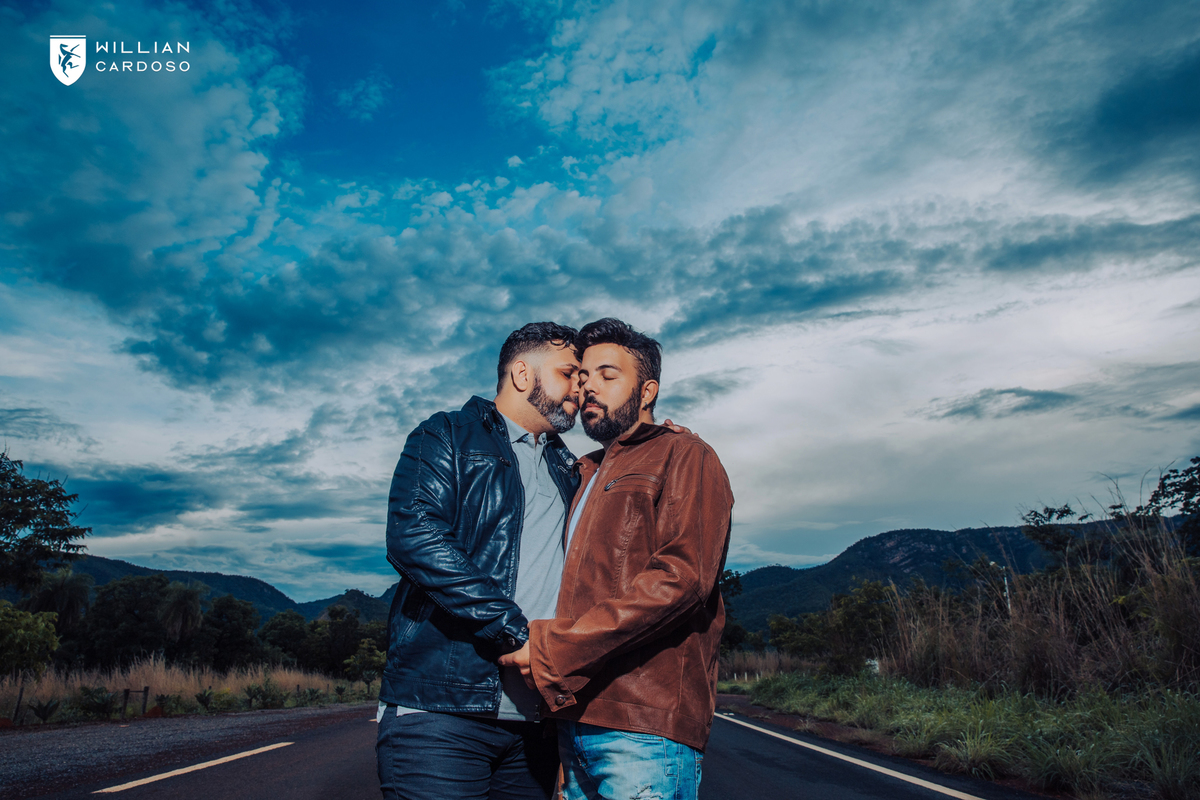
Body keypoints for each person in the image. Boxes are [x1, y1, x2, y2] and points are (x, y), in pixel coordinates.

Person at [500, 317, 734, 800]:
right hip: (575, 721)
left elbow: (682, 580)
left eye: (608, 376)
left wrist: (553, 648)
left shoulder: (685, 455)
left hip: (642, 726)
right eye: (583, 377)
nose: (589, 388)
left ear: (646, 391)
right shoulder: (581, 471)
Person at [376, 321, 582, 800]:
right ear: (523, 374)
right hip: (441, 714)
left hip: (537, 724)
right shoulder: (446, 433)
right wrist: (513, 631)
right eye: (569, 372)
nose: (581, 385)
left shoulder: (569, 467)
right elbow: (413, 533)